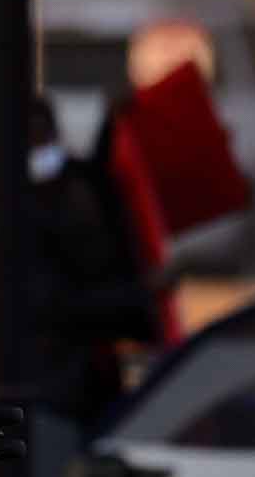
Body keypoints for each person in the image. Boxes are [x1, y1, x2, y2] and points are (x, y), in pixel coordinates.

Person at [25, 95, 163, 429]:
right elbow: (60, 304)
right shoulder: (23, 218)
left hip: (92, 379)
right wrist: (140, 292)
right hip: (58, 388)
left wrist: (112, 124)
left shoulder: (77, 182)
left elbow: (102, 175)